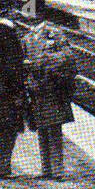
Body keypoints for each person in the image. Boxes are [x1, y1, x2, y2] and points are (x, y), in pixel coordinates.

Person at [23, 22, 77, 180]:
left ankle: (56, 171)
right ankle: (47, 170)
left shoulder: (55, 35)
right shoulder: (28, 37)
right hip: (38, 93)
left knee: (52, 132)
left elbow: (67, 61)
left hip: (51, 93)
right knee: (43, 131)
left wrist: (43, 61)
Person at [0, 0, 29, 179]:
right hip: (8, 93)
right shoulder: (8, 34)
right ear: (9, 11)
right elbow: (11, 68)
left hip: (0, 92)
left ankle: (2, 168)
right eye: (14, 8)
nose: (17, 12)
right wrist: (18, 91)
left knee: (5, 131)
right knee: (7, 131)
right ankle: (1, 169)